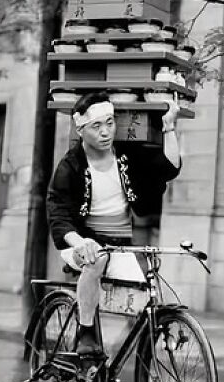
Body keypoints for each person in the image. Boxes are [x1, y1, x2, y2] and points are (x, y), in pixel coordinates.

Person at [46, 91, 181, 364]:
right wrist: (80, 242)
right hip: (82, 244)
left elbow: (168, 169)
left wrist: (169, 125)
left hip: (119, 245)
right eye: (97, 126)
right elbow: (58, 212)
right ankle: (85, 332)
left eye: (110, 122)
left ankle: (108, 369)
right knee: (96, 259)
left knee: (149, 305)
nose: (105, 131)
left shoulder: (126, 157)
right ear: (81, 129)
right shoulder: (70, 165)